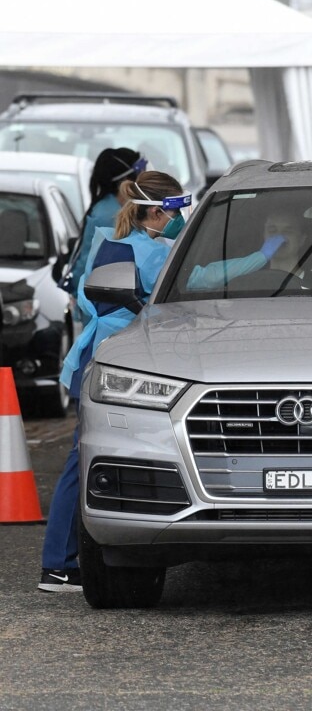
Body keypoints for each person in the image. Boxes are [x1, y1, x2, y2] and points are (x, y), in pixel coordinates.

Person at [39, 171, 183, 593]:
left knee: (80, 459)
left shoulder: (111, 242)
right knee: (81, 462)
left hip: (91, 358)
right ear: (158, 211)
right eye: (179, 209)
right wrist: (264, 256)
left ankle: (61, 563)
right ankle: (60, 565)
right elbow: (208, 275)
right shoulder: (153, 254)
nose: (184, 217)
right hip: (107, 363)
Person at [60, 148, 147, 301]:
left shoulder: (118, 209)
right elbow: (90, 265)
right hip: (104, 308)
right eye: (141, 172)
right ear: (126, 180)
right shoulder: (109, 216)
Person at [184, 210, 299, 290]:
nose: (279, 237)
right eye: (272, 230)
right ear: (264, 235)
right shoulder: (244, 281)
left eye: (288, 231)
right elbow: (206, 279)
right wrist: (261, 256)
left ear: (303, 239)